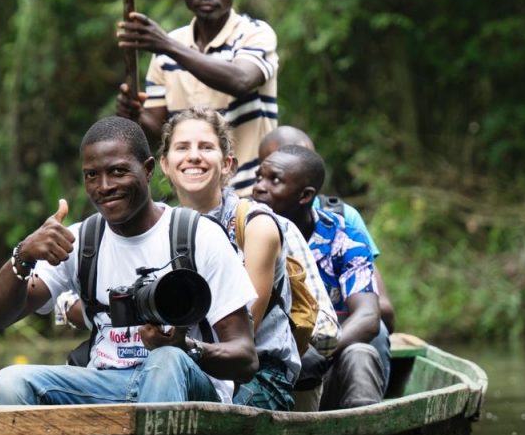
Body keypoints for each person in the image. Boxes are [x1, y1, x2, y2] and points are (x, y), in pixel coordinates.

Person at [0, 116, 258, 405]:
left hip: (184, 383)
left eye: (118, 171)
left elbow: (245, 358)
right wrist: (24, 254)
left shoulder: (198, 236)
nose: (104, 186)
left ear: (148, 169)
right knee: (9, 382)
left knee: (166, 360)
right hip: (106, 384)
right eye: (92, 175)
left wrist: (187, 347)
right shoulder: (81, 241)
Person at [157, 107, 301, 410]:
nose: (194, 156)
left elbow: (243, 328)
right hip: (179, 362)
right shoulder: (158, 227)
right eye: (182, 147)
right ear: (165, 165)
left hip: (256, 372)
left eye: (206, 147)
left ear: (227, 164)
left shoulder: (255, 225)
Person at [115, 0, 278, 194]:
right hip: (195, 201)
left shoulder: (254, 34)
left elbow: (242, 80)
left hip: (253, 196)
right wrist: (134, 115)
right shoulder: (166, 52)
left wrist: (167, 45)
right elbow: (159, 134)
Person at [253, 145, 390, 410]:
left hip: (325, 364)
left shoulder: (345, 238)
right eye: (259, 177)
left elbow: (368, 317)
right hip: (267, 363)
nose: (259, 187)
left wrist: (321, 353)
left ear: (305, 196)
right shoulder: (242, 232)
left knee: (360, 354)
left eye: (274, 180)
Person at [258, 126, 395, 332]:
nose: (295, 160)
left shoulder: (342, 222)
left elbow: (379, 307)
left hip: (341, 327)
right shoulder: (247, 221)